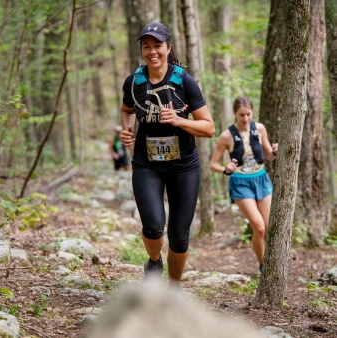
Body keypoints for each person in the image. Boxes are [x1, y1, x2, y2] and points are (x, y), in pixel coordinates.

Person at [119, 22, 215, 286]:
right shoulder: (134, 82)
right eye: (147, 46)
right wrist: (127, 130)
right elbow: (127, 109)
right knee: (152, 225)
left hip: (183, 167)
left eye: (158, 46)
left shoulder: (184, 81)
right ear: (142, 50)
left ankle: (172, 291)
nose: (152, 51)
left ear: (168, 48)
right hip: (146, 164)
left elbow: (209, 128)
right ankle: (154, 260)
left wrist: (179, 121)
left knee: (179, 235)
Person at [209, 96, 278, 273]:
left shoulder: (260, 129)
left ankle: (269, 262)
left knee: (269, 226)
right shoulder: (226, 136)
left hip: (261, 178)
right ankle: (263, 266)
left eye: (248, 114)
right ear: (235, 114)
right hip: (240, 182)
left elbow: (269, 155)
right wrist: (226, 169)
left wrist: (276, 152)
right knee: (259, 227)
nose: (246, 119)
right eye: (241, 115)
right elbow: (213, 163)